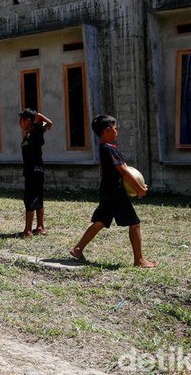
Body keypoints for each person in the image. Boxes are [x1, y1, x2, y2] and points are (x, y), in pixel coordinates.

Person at [69, 115, 158, 268]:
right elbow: (124, 172)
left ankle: (78, 249)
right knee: (134, 222)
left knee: (101, 221)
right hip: (115, 192)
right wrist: (140, 190)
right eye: (115, 129)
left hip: (106, 190)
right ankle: (139, 260)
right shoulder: (110, 149)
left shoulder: (104, 148)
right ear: (108, 130)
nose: (117, 132)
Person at [18, 108, 53, 238]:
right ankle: (40, 227)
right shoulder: (30, 132)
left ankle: (27, 231)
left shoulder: (37, 130)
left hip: (34, 170)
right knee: (37, 198)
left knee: (30, 199)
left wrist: (38, 116)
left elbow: (49, 123)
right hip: (34, 170)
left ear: (27, 121)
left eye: (21, 121)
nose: (19, 123)